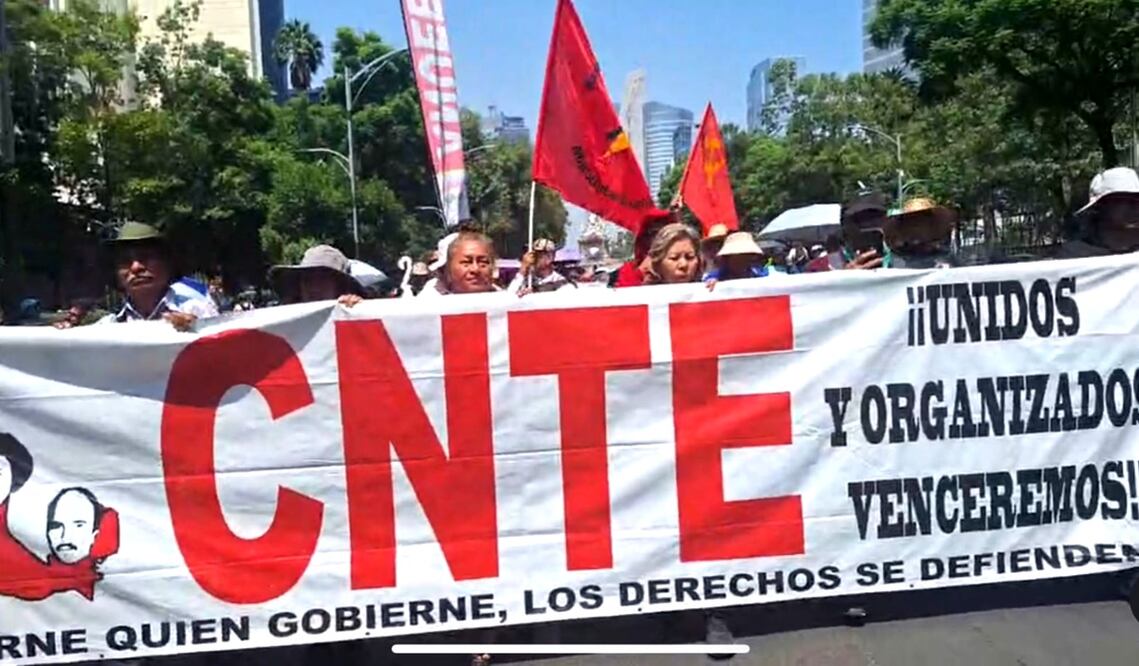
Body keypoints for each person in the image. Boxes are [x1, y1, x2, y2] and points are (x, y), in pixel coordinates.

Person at [99, 222, 218, 330]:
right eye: (125, 261)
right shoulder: (106, 328)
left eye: (145, 257)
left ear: (169, 264)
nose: (136, 267)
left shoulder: (199, 311)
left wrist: (198, 331)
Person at [1058, 167, 1139, 258]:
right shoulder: (1074, 255)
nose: (1136, 206)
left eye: (1138, 200)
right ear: (1101, 205)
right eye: (1126, 200)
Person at [269, 245, 367, 307]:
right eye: (307, 279)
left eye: (322, 279)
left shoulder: (353, 316)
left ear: (340, 286)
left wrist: (358, 313)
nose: (314, 287)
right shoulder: (285, 324)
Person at [884, 198, 958, 269]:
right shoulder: (893, 258)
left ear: (931, 226)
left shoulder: (945, 256)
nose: (916, 228)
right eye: (911, 222)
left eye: (921, 222)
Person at [420, 231, 500, 297]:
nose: (475, 269)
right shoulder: (427, 305)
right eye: (466, 262)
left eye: (483, 262)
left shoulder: (506, 302)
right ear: (448, 269)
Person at [615, 212, 675, 287]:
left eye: (664, 232)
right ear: (644, 237)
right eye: (653, 232)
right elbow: (625, 294)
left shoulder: (684, 261)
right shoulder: (632, 267)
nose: (659, 237)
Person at [704, 232, 769, 289]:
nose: (742, 259)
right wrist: (712, 281)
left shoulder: (757, 272)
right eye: (737, 256)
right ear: (728, 258)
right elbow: (709, 279)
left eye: (746, 255)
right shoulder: (720, 273)